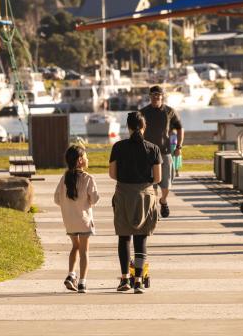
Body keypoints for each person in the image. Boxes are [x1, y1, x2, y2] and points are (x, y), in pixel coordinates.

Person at [109, 112, 162, 294]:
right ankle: (138, 280)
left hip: (124, 193)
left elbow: (112, 174)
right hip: (145, 196)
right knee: (141, 239)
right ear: (144, 127)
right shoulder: (153, 148)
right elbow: (158, 178)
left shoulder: (118, 147)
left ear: (128, 127)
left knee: (124, 238)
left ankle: (124, 278)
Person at [54, 145, 100, 294]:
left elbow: (56, 199)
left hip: (69, 221)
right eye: (85, 156)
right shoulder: (88, 178)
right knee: (84, 251)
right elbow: (94, 199)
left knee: (75, 247)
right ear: (80, 160)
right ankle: (82, 282)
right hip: (84, 221)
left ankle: (71, 274)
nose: (87, 159)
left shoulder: (64, 178)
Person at [139, 85, 183, 218]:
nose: (156, 97)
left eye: (158, 95)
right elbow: (136, 131)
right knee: (151, 183)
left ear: (162, 96)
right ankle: (153, 208)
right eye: (153, 95)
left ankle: (163, 201)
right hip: (147, 154)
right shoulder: (143, 112)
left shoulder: (170, 112)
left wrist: (179, 147)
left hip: (165, 152)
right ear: (150, 97)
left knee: (166, 183)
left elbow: (180, 128)